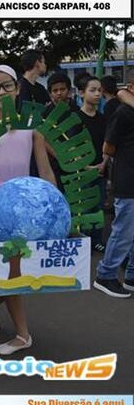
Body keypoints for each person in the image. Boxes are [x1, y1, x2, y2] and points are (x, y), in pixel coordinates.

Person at [0, 65, 56, 355]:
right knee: (10, 267)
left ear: (18, 88)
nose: (1, 92)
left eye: (7, 85)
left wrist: (56, 207)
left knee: (15, 267)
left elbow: (45, 171)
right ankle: (22, 333)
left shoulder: (32, 126)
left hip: (25, 203)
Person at [94, 69, 134, 298]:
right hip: (127, 181)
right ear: (131, 87)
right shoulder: (123, 113)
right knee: (123, 232)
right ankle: (105, 275)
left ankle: (131, 276)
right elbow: (108, 147)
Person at [76, 74, 108, 253]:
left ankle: (97, 240)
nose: (97, 94)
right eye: (93, 90)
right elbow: (70, 147)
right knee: (83, 209)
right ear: (81, 93)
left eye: (100, 90)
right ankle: (83, 243)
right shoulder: (75, 118)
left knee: (99, 207)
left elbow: (108, 144)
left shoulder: (103, 119)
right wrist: (86, 167)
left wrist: (103, 163)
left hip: (100, 171)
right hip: (81, 172)